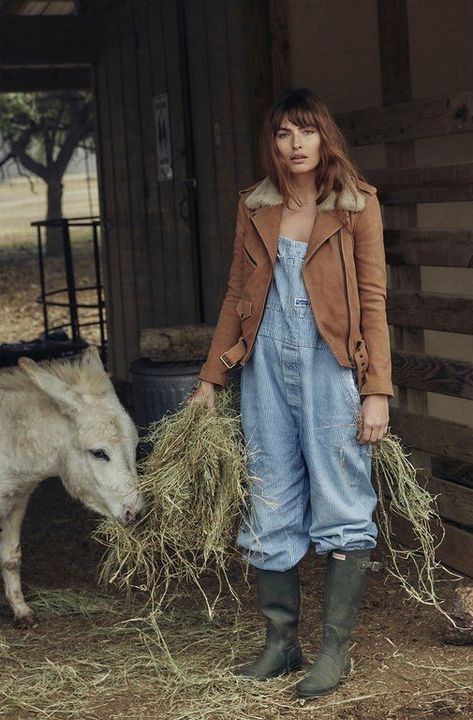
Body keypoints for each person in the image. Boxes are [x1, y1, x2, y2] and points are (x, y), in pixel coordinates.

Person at [188, 87, 394, 698]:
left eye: (306, 131)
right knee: (269, 496)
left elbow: (375, 301)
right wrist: (209, 378)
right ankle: (281, 643)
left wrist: (375, 389)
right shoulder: (255, 205)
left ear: (324, 137)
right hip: (265, 374)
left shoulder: (356, 204)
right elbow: (235, 293)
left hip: (332, 370)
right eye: (283, 133)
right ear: (272, 144)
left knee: (341, 499)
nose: (296, 144)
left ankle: (334, 651)